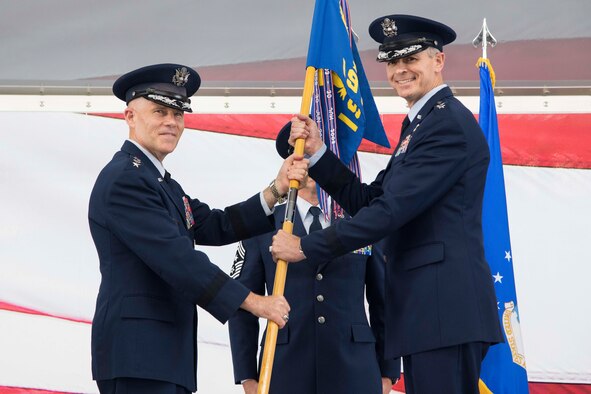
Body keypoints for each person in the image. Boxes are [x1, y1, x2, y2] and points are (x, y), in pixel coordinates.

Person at [270, 15, 504, 394]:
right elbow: (370, 200)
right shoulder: (421, 124)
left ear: (438, 61)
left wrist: (305, 247)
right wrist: (316, 153)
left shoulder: (445, 125)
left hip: (443, 309)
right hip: (426, 311)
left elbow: (389, 212)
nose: (400, 70)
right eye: (392, 61)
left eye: (410, 59)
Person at [88, 63, 307, 394]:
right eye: (159, 111)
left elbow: (213, 225)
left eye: (177, 114)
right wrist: (254, 301)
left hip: (160, 354)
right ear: (130, 117)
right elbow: (177, 259)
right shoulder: (126, 180)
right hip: (138, 356)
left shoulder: (159, 182)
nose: (171, 122)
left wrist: (275, 189)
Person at [228, 143, 400, 394]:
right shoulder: (262, 224)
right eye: (301, 155)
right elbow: (242, 302)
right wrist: (247, 378)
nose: (309, 164)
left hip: (355, 369)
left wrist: (388, 372)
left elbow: (384, 297)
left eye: (316, 155)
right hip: (284, 368)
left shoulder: (363, 221)